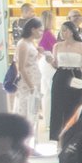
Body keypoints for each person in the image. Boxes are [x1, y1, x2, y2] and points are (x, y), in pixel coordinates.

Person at [11, 17, 50, 145]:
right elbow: (21, 67)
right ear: (33, 29)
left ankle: (31, 143)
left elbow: (31, 62)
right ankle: (23, 143)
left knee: (33, 113)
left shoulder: (30, 43)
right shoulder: (23, 44)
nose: (41, 33)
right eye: (40, 30)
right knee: (25, 112)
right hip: (28, 85)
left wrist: (39, 53)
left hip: (34, 83)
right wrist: (31, 86)